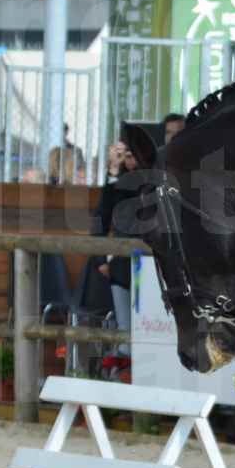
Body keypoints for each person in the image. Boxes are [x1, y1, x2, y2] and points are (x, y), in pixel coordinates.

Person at [95, 135, 140, 366]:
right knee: (125, 330)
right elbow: (101, 217)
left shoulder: (153, 177)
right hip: (121, 267)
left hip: (153, 267)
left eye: (131, 156)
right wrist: (102, 258)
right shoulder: (117, 181)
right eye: (125, 157)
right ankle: (123, 368)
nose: (129, 162)